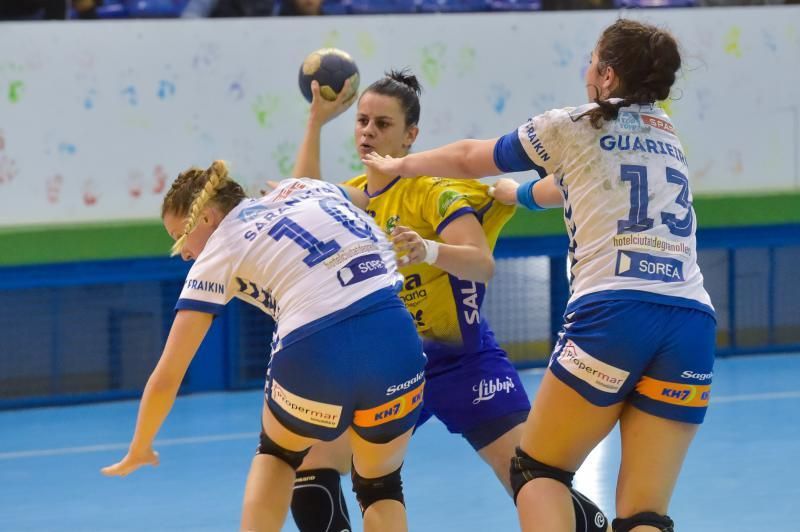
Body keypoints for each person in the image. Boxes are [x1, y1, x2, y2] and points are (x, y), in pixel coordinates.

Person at [363, 19, 716, 532]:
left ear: (609, 75)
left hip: (613, 314)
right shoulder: (666, 132)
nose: (586, 68)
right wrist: (521, 195)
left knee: (537, 471)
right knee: (644, 511)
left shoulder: (573, 124)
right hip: (690, 323)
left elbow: (468, 157)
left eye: (593, 59)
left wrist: (401, 165)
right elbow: (573, 184)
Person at [288, 70, 610, 532]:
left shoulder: (434, 190)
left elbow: (482, 264)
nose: (368, 132)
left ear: (410, 136)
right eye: (362, 121)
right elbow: (303, 201)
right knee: (313, 471)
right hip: (390, 370)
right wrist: (316, 122)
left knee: (531, 479)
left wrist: (429, 250)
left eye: (383, 124)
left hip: (464, 363)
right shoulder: (354, 195)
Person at [101, 160, 427, 532]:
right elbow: (361, 197)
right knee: (381, 485)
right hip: (395, 337)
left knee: (278, 453)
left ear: (208, 217)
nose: (184, 253)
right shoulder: (301, 189)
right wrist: (297, 187)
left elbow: (168, 375)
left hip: (315, 350)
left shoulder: (219, 249)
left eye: (180, 237)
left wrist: (140, 445)